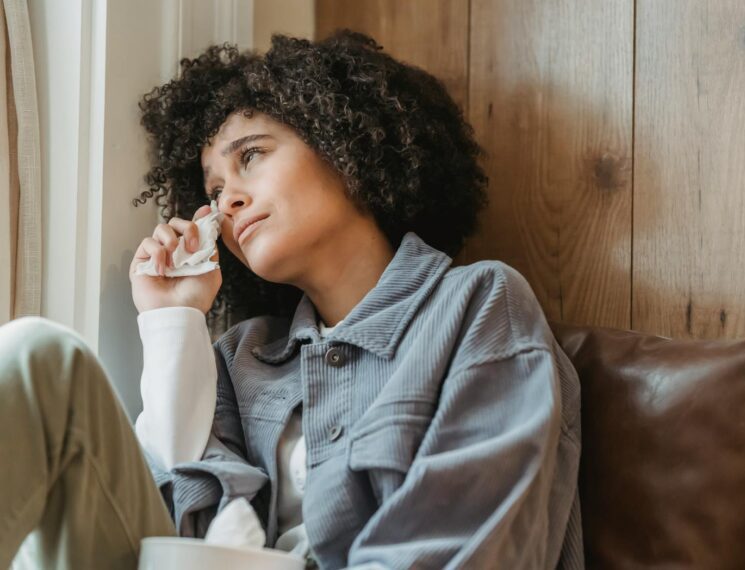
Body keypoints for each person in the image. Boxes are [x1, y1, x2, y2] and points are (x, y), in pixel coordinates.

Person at [0, 30, 583, 569]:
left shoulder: (479, 306)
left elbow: (460, 548)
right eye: (215, 190)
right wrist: (171, 320)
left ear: (342, 139)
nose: (226, 203)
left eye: (250, 156)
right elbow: (170, 527)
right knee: (36, 358)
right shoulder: (242, 355)